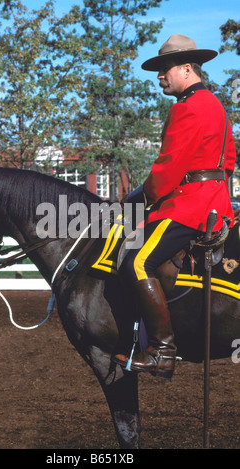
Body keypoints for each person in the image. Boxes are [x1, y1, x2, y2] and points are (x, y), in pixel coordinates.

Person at [113, 34, 236, 379]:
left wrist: (143, 197)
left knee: (136, 261)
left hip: (189, 208)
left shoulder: (187, 107)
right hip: (214, 205)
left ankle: (162, 350)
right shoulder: (216, 105)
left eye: (165, 68)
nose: (159, 76)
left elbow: (169, 166)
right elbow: (228, 162)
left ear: (185, 68)